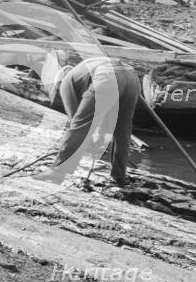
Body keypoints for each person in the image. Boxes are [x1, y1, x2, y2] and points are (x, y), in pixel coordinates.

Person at [38, 55, 140, 185]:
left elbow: (78, 123)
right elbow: (109, 118)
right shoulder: (84, 69)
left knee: (79, 125)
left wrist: (91, 144)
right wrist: (100, 139)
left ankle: (58, 172)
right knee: (122, 131)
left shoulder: (66, 81)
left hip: (107, 75)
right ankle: (119, 176)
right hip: (131, 77)